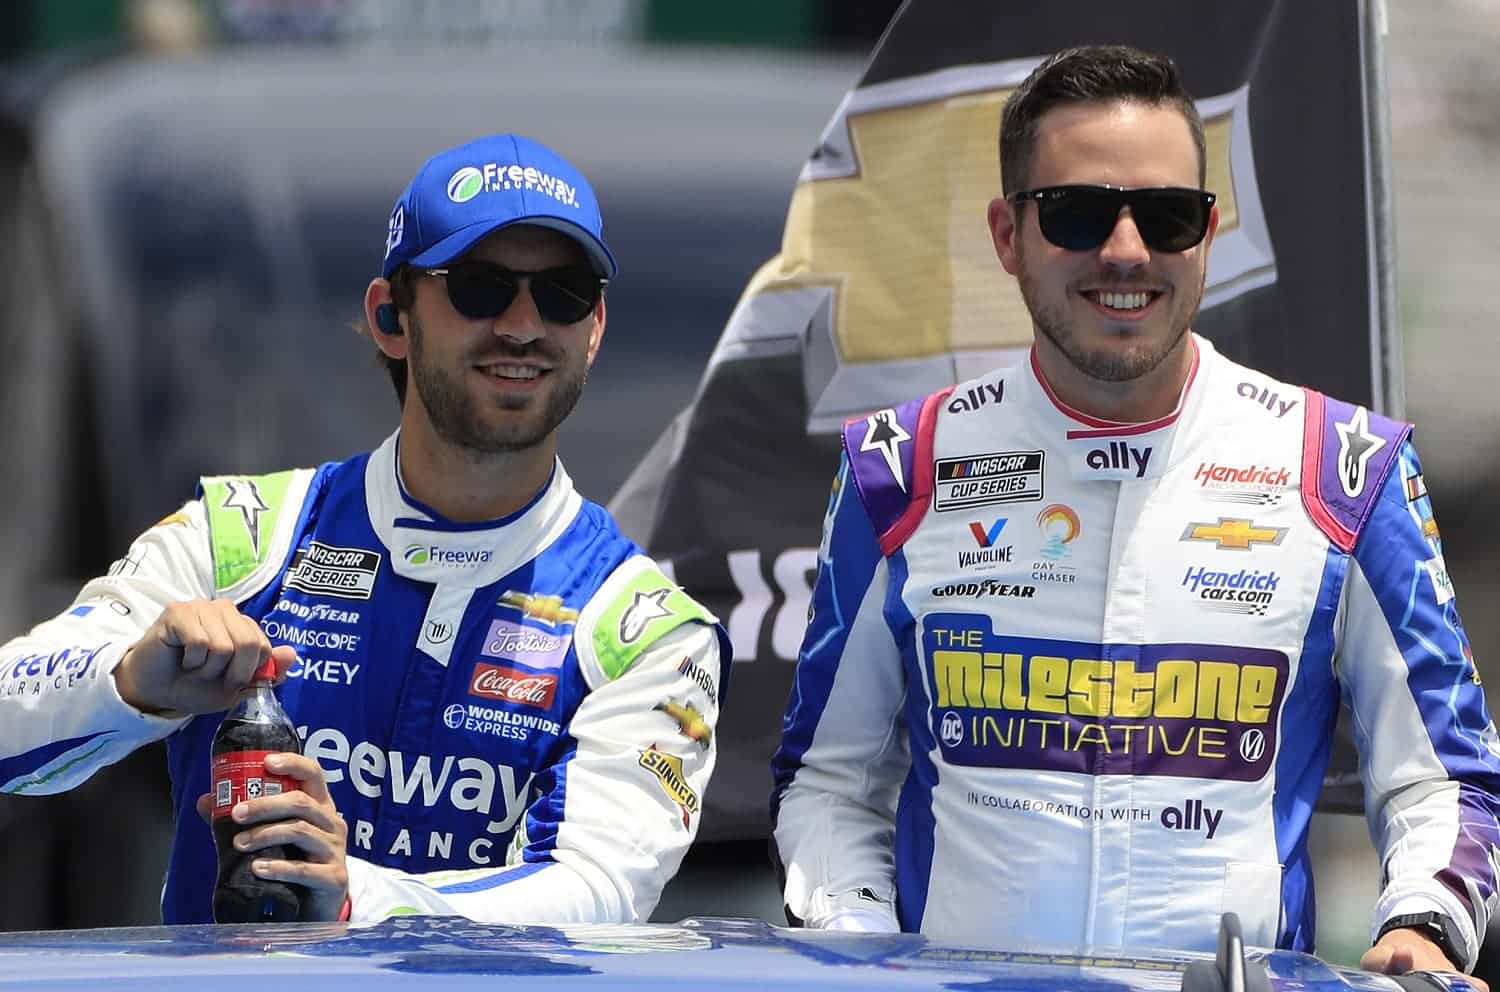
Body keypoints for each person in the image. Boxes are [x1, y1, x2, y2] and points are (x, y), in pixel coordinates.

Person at [770, 44, 1500, 980]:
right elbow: (829, 780)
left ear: (1209, 234)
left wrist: (1426, 924)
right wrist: (862, 949)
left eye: (1165, 215)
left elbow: (1446, 780)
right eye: (1077, 213)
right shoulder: (898, 467)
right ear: (1007, 235)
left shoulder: (1346, 468)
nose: (1125, 250)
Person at [0, 132, 730, 925]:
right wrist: (130, 683)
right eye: (480, 287)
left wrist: (352, 893)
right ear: (390, 316)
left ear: (593, 327)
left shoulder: (647, 630)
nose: (524, 324)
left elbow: (596, 891)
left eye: (564, 292)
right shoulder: (241, 537)